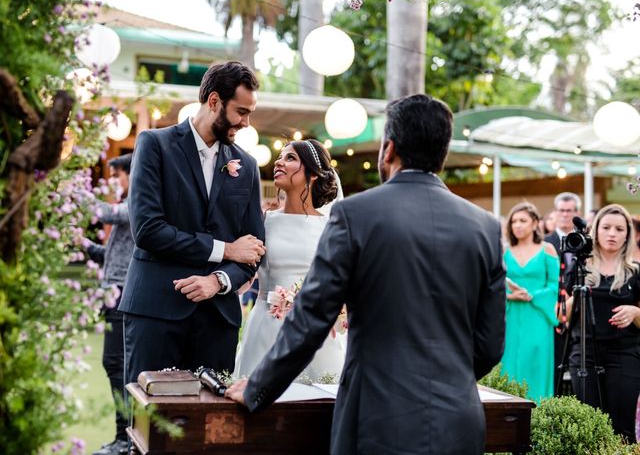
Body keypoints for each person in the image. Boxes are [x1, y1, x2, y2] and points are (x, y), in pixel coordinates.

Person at [226, 94, 506, 454]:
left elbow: (311, 319)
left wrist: (257, 387)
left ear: (387, 150)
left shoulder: (356, 215)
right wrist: (446, 380)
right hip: (458, 421)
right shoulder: (484, 227)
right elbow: (490, 344)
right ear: (443, 153)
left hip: (374, 418)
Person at [119, 61, 266, 383]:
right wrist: (225, 250)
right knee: (150, 422)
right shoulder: (154, 145)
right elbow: (147, 230)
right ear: (214, 101)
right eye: (241, 112)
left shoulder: (248, 165)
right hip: (156, 311)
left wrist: (218, 281)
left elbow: (253, 248)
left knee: (211, 426)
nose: (245, 122)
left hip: (218, 320)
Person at [234, 140, 345, 381]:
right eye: (280, 157)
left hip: (314, 331)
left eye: (290, 158)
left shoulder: (331, 227)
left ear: (313, 174)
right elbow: (244, 275)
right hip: (265, 326)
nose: (278, 162)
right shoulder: (262, 221)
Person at [565, 204, 640, 442]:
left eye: (619, 229)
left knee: (622, 429)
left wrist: (635, 311)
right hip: (585, 353)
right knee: (590, 428)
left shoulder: (635, 272)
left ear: (628, 234)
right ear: (595, 231)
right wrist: (575, 296)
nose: (612, 234)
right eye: (606, 227)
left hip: (624, 354)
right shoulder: (580, 268)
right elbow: (563, 318)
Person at [83, 154, 134, 455]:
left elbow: (105, 212)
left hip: (123, 294)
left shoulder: (135, 204)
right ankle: (123, 436)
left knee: (117, 364)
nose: (116, 181)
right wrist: (86, 245)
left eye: (118, 175)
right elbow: (112, 257)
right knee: (116, 363)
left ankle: (124, 438)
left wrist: (73, 192)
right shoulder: (128, 205)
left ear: (132, 174)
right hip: (115, 290)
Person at [501, 202, 559, 402]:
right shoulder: (504, 251)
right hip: (511, 315)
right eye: (514, 221)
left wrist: (531, 294)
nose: (517, 225)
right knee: (508, 364)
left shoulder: (547, 249)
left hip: (539, 316)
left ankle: (538, 418)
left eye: (523, 221)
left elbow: (554, 286)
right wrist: (510, 295)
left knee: (536, 364)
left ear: (535, 223)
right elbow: (494, 285)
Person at [545, 191, 582, 394]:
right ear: (556, 212)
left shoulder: (583, 243)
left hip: (578, 312)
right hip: (553, 312)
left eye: (570, 211)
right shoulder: (546, 242)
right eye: (562, 210)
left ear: (576, 213)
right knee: (555, 367)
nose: (565, 214)